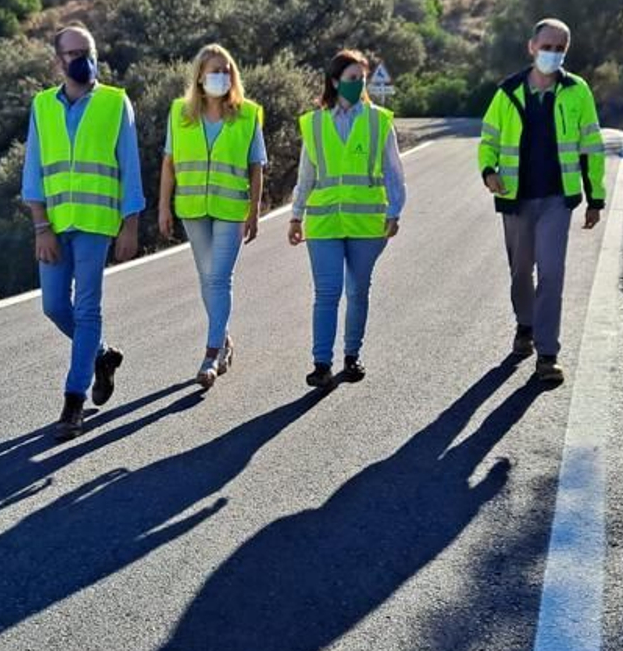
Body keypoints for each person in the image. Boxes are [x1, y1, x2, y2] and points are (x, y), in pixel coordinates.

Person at [21, 24, 143, 439]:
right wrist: (41, 226)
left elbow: (130, 167)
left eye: (87, 52)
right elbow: (34, 171)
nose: (82, 60)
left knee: (88, 309)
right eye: (73, 54)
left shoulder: (115, 102)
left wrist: (130, 225)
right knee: (54, 305)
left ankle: (74, 401)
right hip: (54, 225)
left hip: (96, 223)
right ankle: (102, 355)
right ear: (58, 61)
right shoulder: (42, 105)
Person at [478, 17, 606, 385]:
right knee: (521, 271)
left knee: (551, 272)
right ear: (531, 47)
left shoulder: (577, 91)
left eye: (559, 48)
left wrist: (595, 198)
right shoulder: (507, 93)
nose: (552, 53)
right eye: (546, 46)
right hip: (516, 198)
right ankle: (525, 325)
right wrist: (488, 171)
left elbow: (591, 145)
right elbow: (488, 140)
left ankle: (548, 354)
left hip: (556, 199)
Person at [288, 49, 405, 388]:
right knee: (327, 292)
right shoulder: (315, 123)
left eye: (362, 79)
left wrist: (395, 211)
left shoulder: (379, 121)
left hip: (367, 224)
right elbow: (306, 175)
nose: (359, 84)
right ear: (336, 81)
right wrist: (295, 216)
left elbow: (394, 172)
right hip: (324, 222)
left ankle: (352, 356)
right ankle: (321, 364)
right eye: (353, 78)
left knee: (357, 290)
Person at [157, 44, 267, 390]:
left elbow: (256, 167)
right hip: (192, 208)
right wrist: (163, 207)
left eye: (226, 70)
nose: (221, 76)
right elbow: (169, 164)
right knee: (206, 279)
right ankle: (225, 340)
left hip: (231, 209)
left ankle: (211, 355)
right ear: (200, 77)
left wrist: (254, 211)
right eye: (214, 70)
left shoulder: (248, 114)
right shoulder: (179, 113)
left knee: (219, 279)